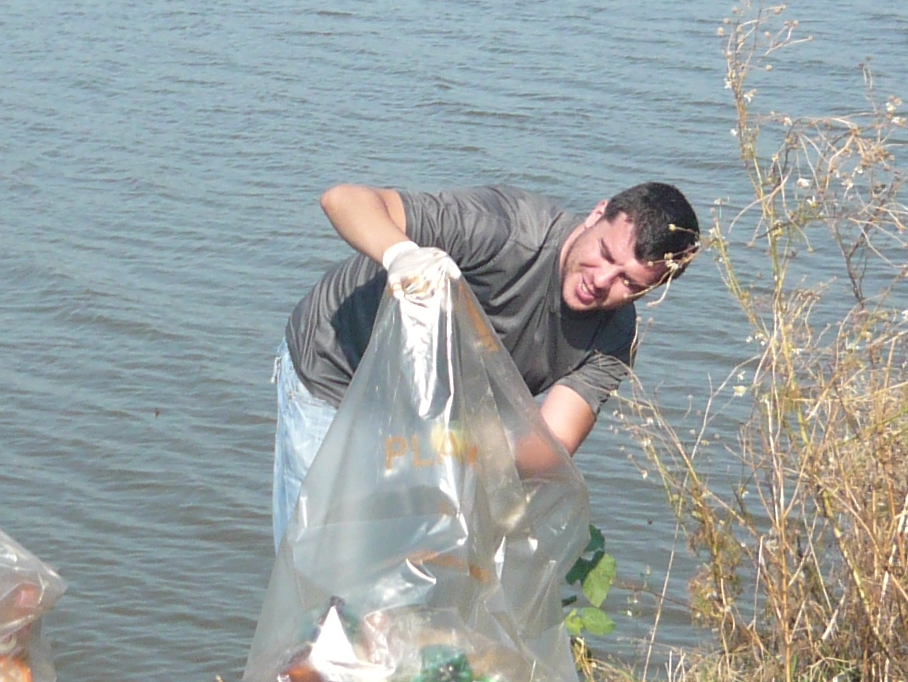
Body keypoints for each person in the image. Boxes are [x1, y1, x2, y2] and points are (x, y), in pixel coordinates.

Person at [273, 181, 699, 540]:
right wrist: (405, 257)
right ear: (597, 214)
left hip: (439, 420)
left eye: (630, 282)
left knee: (406, 574)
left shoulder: (615, 337)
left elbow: (550, 447)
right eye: (605, 254)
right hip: (338, 370)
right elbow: (343, 199)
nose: (601, 281)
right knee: (317, 558)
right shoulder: (506, 229)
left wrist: (446, 446)